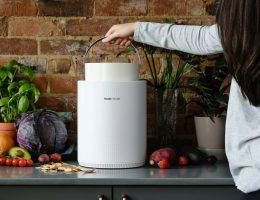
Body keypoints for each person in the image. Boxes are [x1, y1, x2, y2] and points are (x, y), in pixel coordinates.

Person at [102, 0, 260, 200]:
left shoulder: (247, 33)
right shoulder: (249, 35)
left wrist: (137, 28)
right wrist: (137, 28)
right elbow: (201, 38)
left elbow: (205, 38)